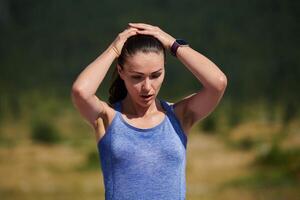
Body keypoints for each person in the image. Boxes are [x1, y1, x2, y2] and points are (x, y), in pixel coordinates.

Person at [71, 22, 227, 200]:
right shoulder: (107, 118)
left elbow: (218, 83)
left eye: (155, 75)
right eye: (137, 77)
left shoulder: (178, 116)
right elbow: (80, 91)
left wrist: (172, 44)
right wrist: (114, 50)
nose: (147, 87)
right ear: (121, 71)